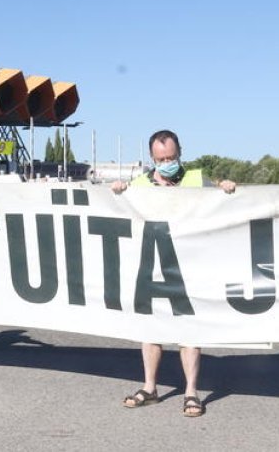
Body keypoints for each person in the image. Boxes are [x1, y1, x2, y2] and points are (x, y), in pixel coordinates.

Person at [109, 130, 235, 418]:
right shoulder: (139, 184)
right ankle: (149, 388)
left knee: (189, 329)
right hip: (152, 266)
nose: (166, 162)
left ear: (180, 154)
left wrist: (225, 187)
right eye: (160, 158)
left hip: (190, 266)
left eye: (171, 157)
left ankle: (191, 392)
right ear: (152, 158)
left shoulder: (195, 179)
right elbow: (115, 209)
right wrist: (116, 191)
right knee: (150, 329)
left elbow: (221, 198)